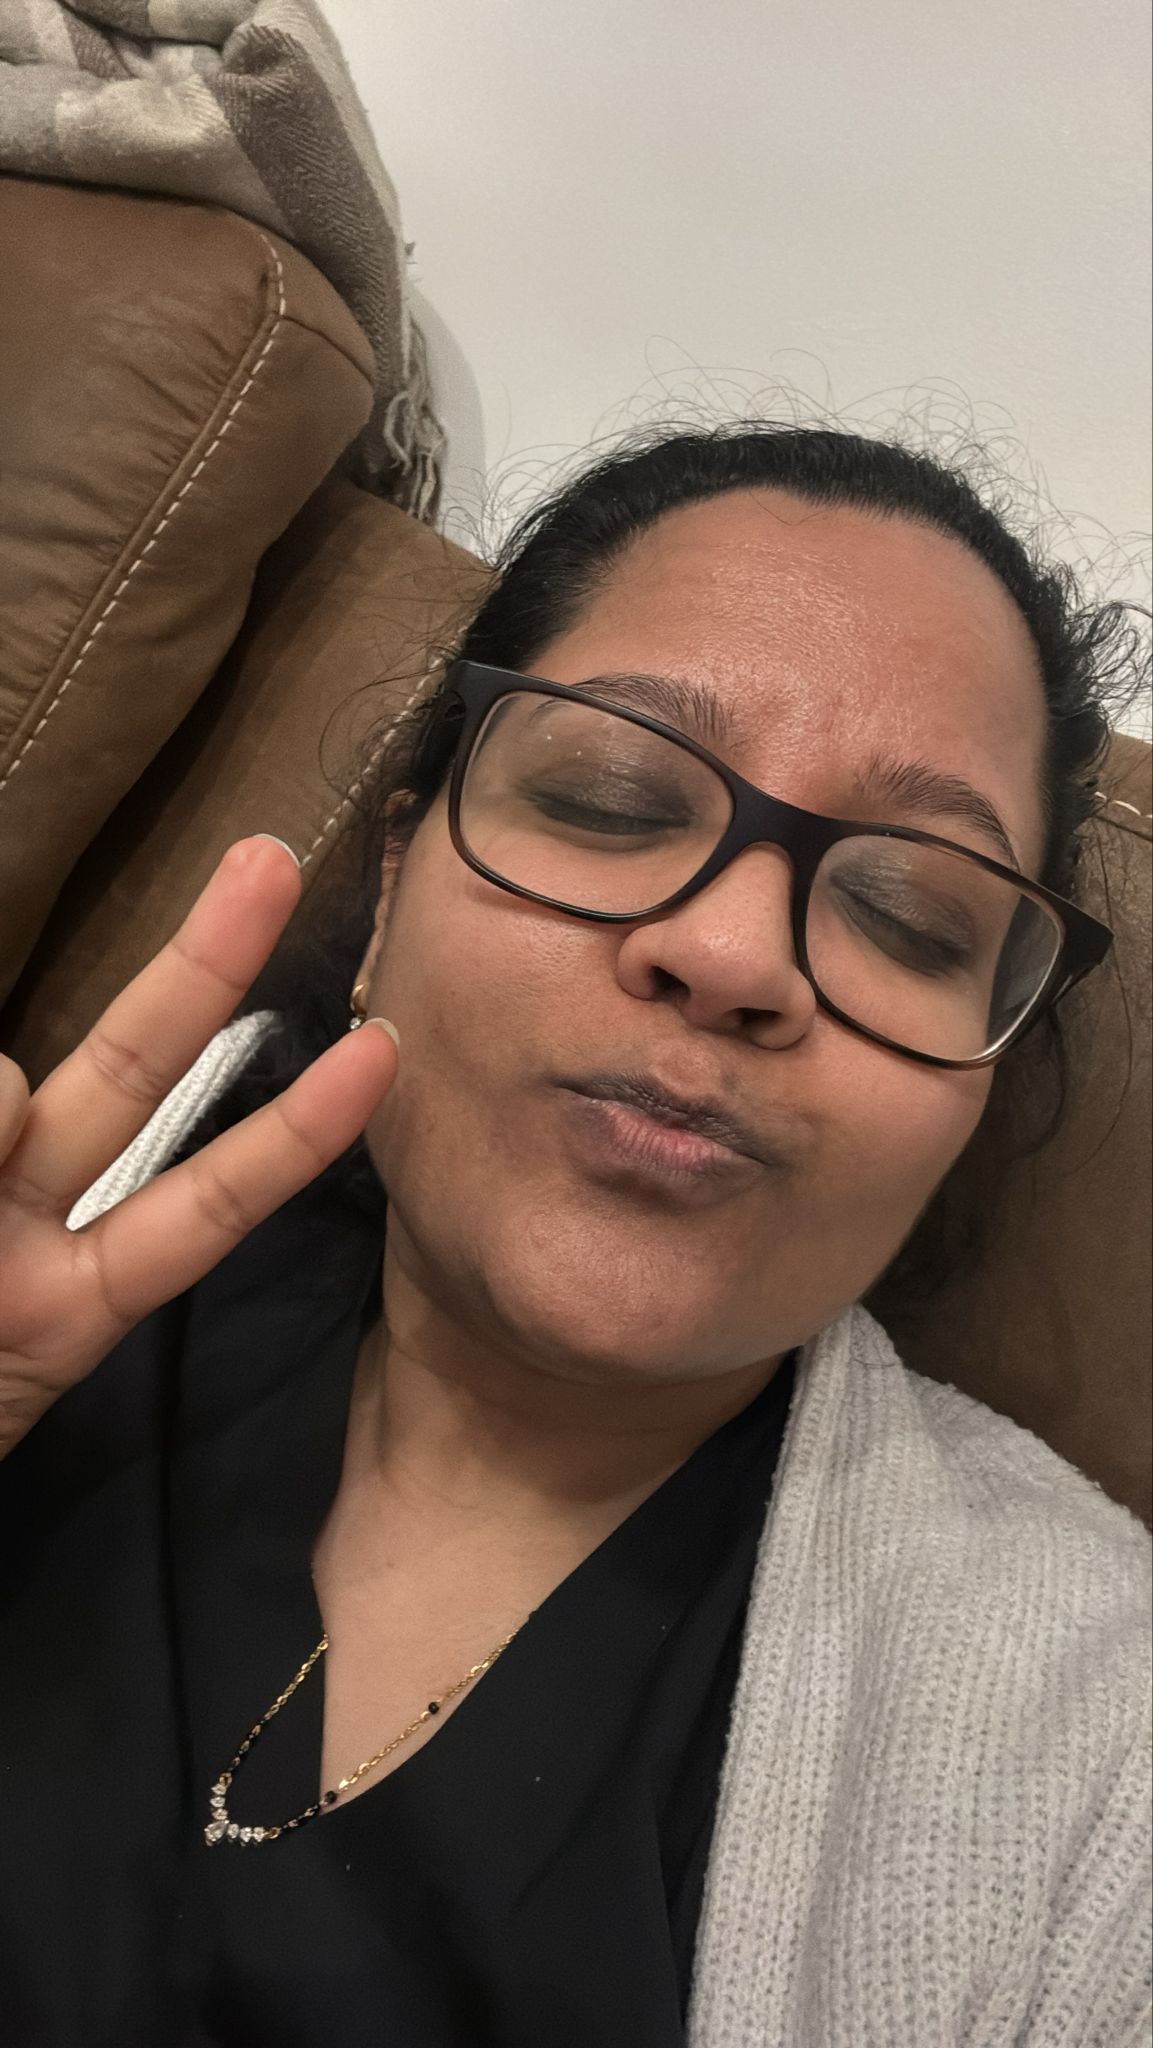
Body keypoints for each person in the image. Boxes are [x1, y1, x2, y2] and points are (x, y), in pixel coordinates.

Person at [1, 425, 1149, 2047]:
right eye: (611, 797)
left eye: (908, 916)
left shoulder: (1098, 1753)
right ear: (392, 886)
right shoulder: (58, 1285)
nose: (732, 953)